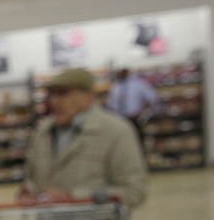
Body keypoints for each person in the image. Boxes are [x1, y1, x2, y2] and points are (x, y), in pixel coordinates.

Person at [20, 68, 147, 208]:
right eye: (52, 95)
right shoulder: (43, 131)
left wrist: (74, 197)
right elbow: (31, 179)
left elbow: (134, 192)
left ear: (88, 97)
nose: (54, 101)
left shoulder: (116, 131)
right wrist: (28, 192)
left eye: (63, 94)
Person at [106, 68, 160, 138]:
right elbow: (112, 104)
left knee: (136, 138)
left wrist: (143, 112)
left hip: (135, 118)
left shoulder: (138, 83)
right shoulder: (116, 86)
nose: (119, 73)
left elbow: (151, 97)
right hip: (120, 119)